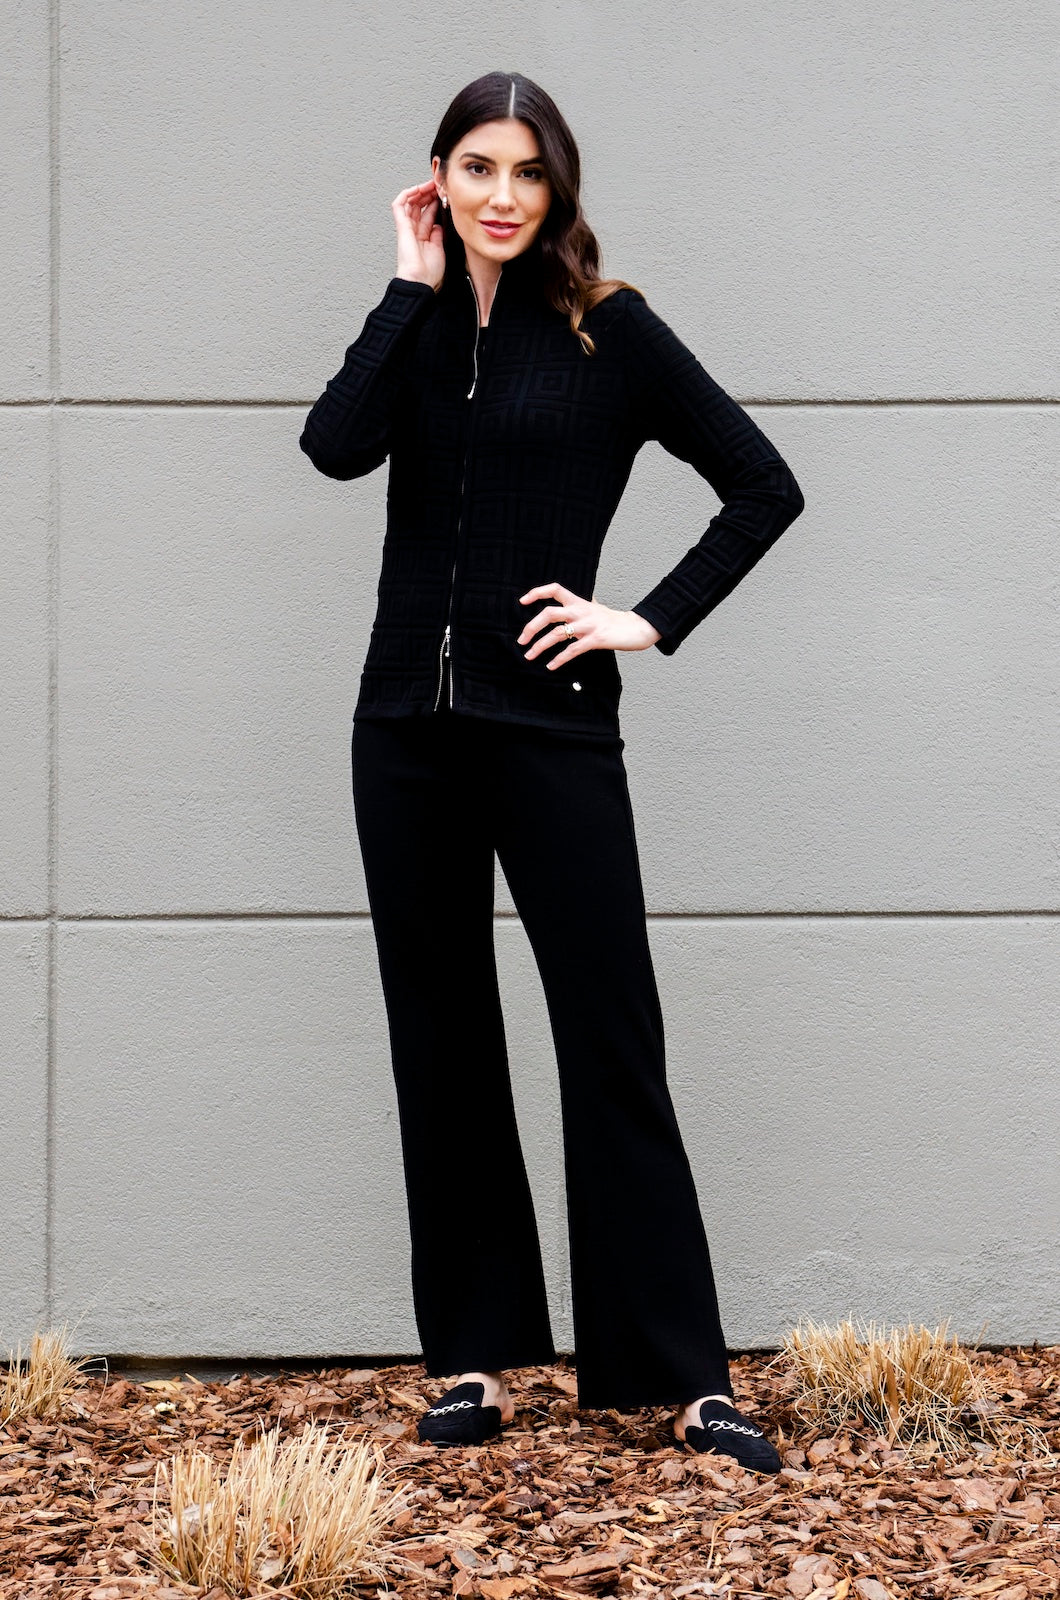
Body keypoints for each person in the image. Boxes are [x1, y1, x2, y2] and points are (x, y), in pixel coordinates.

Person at [299, 71, 804, 1474]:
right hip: (402, 730)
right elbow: (333, 449)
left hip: (555, 730)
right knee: (442, 1040)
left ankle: (685, 1378)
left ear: (557, 187)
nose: (503, 194)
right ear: (439, 182)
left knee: (610, 1033)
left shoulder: (609, 331)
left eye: (527, 171)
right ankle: (471, 1361)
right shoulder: (415, 330)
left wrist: (639, 619)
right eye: (477, 167)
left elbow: (763, 484)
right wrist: (405, 288)